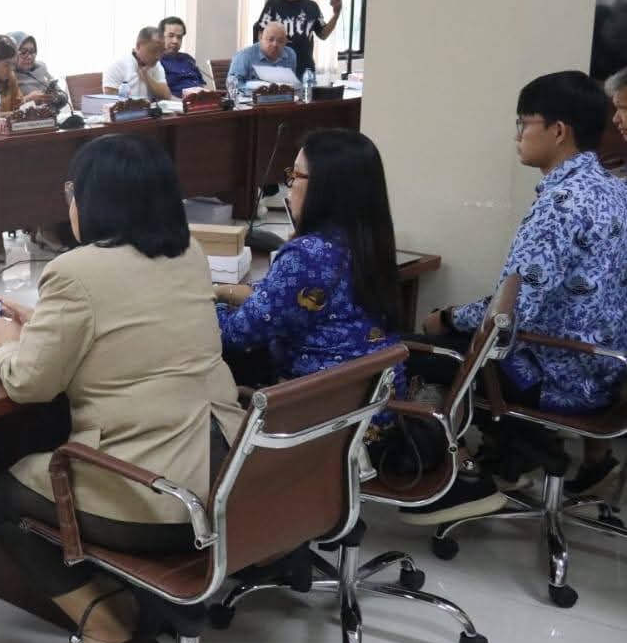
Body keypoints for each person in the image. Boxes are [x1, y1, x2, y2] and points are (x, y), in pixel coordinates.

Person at [0, 133, 241, 643]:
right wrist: (44, 323)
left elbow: (29, 383)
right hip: (227, 477)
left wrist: (5, 344)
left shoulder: (77, 271)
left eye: (71, 190)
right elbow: (133, 332)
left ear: (92, 198)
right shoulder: (188, 253)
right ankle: (125, 599)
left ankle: (105, 630)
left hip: (162, 497)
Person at [408, 71, 627, 523]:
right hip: (608, 370)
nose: (517, 135)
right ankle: (516, 456)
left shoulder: (561, 205)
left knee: (416, 351)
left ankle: (461, 481)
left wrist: (446, 317)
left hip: (558, 374)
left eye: (524, 123)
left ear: (558, 131)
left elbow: (508, 316)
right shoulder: (615, 189)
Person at [215, 129, 405, 407]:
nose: (289, 186)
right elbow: (282, 298)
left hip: (314, 415)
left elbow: (236, 333)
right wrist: (224, 291)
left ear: (325, 188)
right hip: (373, 411)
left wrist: (203, 306)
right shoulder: (368, 242)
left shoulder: (306, 256)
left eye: (295, 175)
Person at [253, 0, 341, 77]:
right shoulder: (273, 3)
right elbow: (261, 33)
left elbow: (323, 34)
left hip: (305, 69)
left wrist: (336, 14)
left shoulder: (312, 6)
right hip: (278, 67)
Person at [102, 26, 171, 101]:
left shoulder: (157, 65)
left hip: (149, 108)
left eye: (161, 51)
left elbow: (166, 96)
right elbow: (110, 98)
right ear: (138, 46)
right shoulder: (117, 65)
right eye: (154, 51)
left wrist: (146, 76)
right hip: (126, 108)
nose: (158, 56)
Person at [226, 22, 298, 89]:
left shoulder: (290, 55)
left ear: (285, 42)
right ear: (260, 37)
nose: (275, 44)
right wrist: (252, 91)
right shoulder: (244, 55)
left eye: (280, 41)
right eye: (270, 39)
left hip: (282, 97)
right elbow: (232, 84)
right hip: (252, 97)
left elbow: (292, 84)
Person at [156, 16, 211, 97]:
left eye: (179, 37)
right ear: (160, 37)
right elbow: (162, 95)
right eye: (171, 36)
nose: (175, 41)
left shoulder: (188, 59)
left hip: (200, 101)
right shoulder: (156, 62)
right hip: (178, 102)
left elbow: (201, 85)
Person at [10, 33, 57, 100]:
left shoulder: (41, 67)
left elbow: (61, 93)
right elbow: (5, 105)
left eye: (32, 51)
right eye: (23, 52)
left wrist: (57, 95)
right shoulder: (7, 77)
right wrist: (27, 99)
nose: (29, 57)